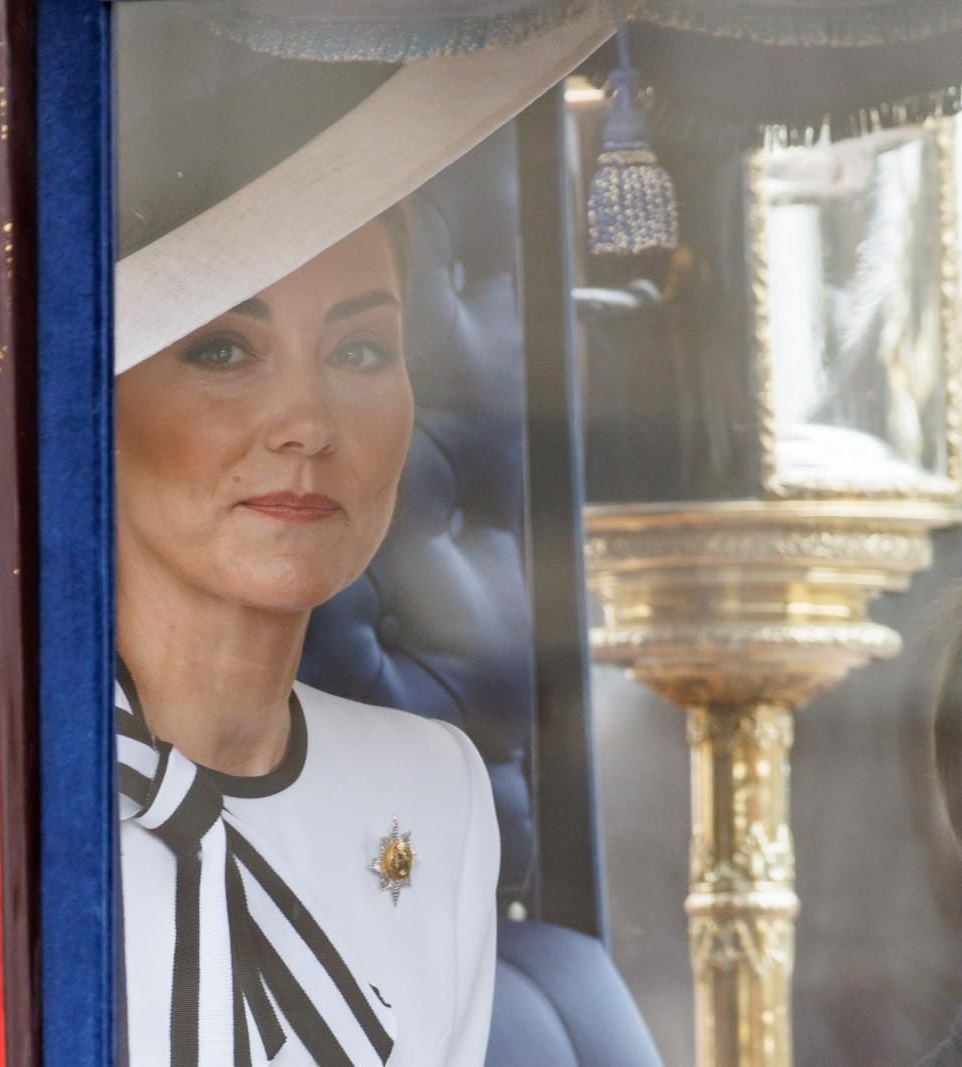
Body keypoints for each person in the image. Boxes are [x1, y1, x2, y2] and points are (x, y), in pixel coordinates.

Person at [110, 7, 613, 1062]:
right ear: (95, 407)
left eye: (363, 352)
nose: (305, 423)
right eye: (221, 350)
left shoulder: (433, 786)